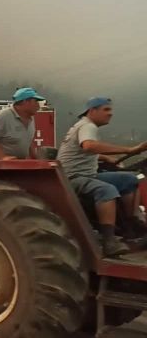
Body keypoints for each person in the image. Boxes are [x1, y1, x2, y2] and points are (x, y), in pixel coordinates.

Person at [57, 97, 147, 256]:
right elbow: (89, 146)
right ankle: (109, 241)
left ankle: (130, 225)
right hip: (73, 177)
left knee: (130, 180)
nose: (110, 114)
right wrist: (129, 150)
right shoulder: (87, 126)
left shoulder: (84, 127)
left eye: (110, 110)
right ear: (92, 111)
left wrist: (105, 158)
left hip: (89, 174)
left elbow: (82, 152)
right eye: (106, 110)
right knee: (107, 190)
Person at [0, 87, 45, 160]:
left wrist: (36, 159)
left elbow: (27, 141)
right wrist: (3, 157)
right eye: (36, 101)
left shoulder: (30, 118)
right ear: (25, 101)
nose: (38, 105)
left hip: (15, 165)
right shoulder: (3, 116)